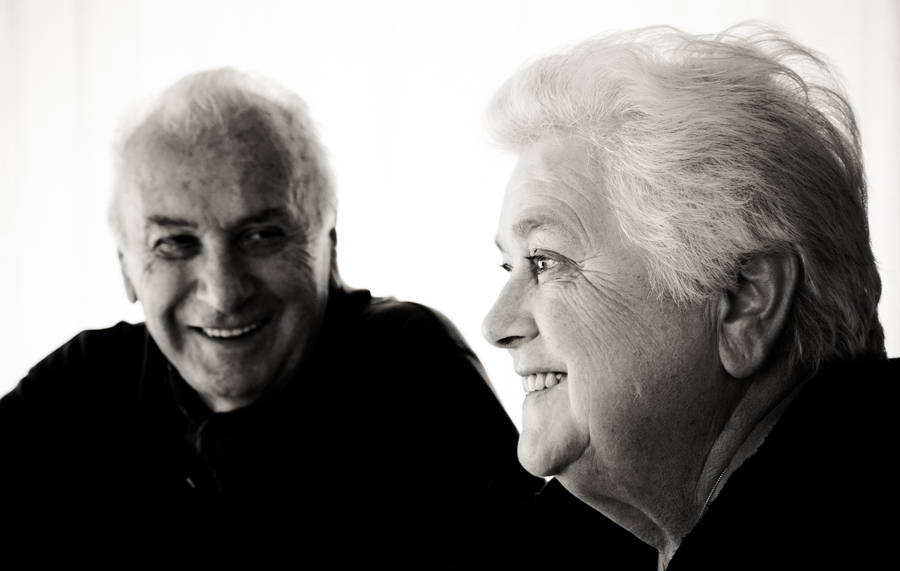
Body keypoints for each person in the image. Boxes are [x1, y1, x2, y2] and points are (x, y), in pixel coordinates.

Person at [0, 68, 542, 566]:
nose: (223, 293)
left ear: (328, 241)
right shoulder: (84, 383)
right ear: (126, 266)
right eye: (175, 243)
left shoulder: (405, 367)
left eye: (261, 235)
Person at [469, 23, 897, 570]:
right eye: (509, 266)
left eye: (546, 261)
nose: (496, 324)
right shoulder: (592, 529)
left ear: (745, 302)